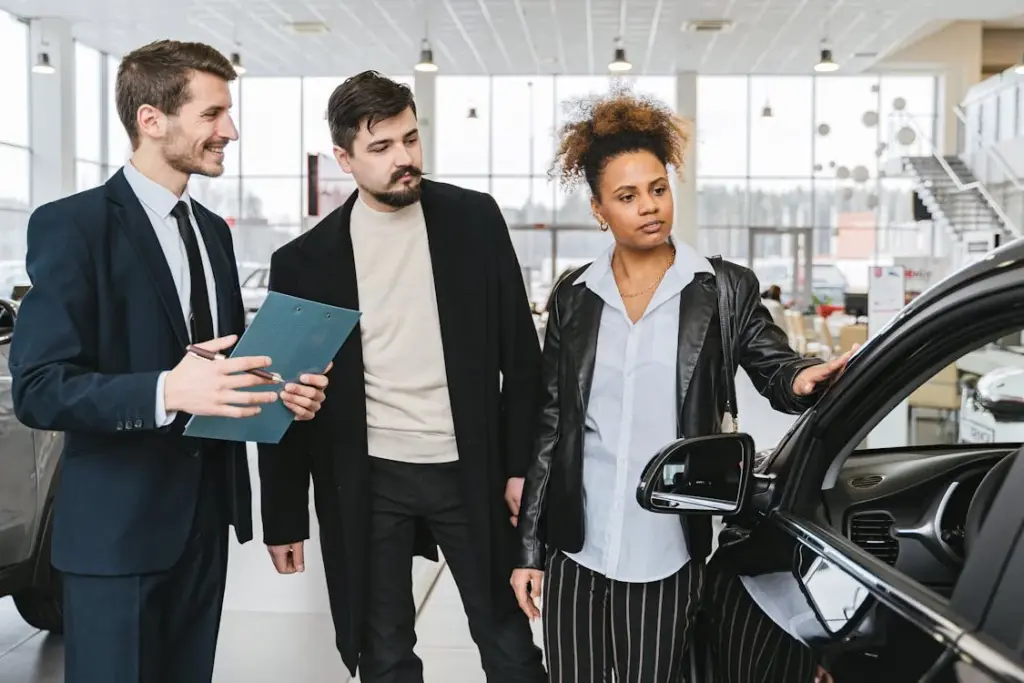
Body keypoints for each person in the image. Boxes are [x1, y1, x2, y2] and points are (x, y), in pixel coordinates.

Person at [9, 40, 329, 683]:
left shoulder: (213, 232)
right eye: (212, 115)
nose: (229, 131)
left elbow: (217, 367)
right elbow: (40, 388)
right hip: (116, 536)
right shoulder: (73, 227)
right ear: (151, 120)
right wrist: (165, 390)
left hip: (204, 527)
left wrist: (277, 390)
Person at [510, 88, 852, 683]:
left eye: (658, 188)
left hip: (669, 551)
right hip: (577, 549)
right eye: (627, 196)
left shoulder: (722, 288)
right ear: (598, 209)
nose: (649, 206)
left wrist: (801, 378)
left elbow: (774, 366)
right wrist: (529, 552)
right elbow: (552, 425)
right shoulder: (574, 296)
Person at [257, 71, 546, 683]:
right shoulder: (304, 263)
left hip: (468, 468)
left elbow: (521, 358)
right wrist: (282, 517)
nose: (404, 159)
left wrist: (522, 467)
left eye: (410, 139)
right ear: (344, 158)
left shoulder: (474, 220)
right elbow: (283, 398)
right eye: (382, 147)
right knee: (382, 652)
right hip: (367, 478)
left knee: (510, 645)